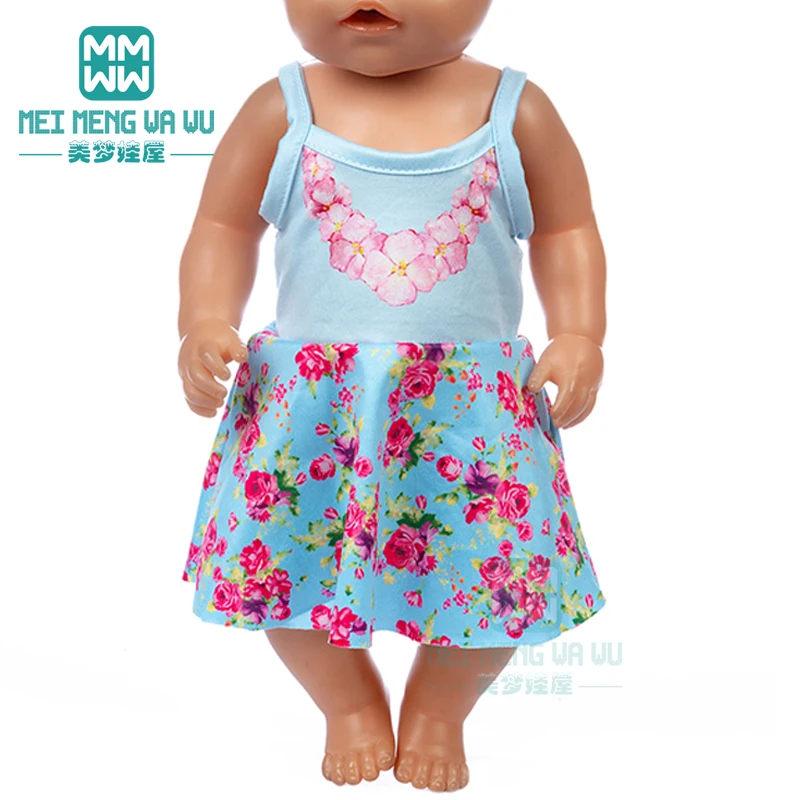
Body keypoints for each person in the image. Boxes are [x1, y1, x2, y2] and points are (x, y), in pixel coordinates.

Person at [177, 0, 607, 791]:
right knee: (283, 567)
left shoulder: (513, 110)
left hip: (468, 415)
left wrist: (579, 332)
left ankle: (440, 709)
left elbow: (566, 229)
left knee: (493, 576)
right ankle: (346, 701)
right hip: (314, 410)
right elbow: (223, 227)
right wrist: (204, 319)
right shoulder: (283, 108)